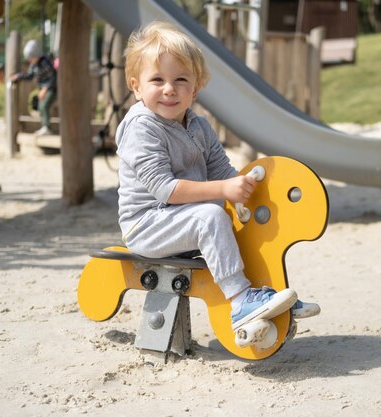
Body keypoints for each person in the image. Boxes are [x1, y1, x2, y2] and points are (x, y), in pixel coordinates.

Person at [116, 21, 320, 330]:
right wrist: (224, 189)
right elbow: (164, 190)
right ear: (136, 86)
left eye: (180, 79)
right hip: (147, 224)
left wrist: (246, 188)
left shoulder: (199, 126)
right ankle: (240, 302)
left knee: (240, 225)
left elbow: (223, 171)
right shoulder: (141, 127)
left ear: (195, 88)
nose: (169, 88)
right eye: (157, 79)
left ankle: (264, 293)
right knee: (211, 217)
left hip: (183, 219)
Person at [10, 40, 57, 136]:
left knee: (44, 106)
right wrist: (17, 77)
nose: (30, 60)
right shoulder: (34, 65)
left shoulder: (45, 63)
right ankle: (45, 126)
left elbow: (53, 78)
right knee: (40, 106)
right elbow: (29, 75)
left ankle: (47, 127)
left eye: (31, 58)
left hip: (51, 88)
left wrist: (45, 89)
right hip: (43, 88)